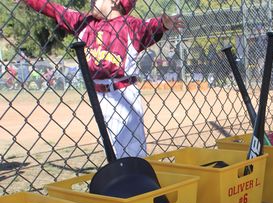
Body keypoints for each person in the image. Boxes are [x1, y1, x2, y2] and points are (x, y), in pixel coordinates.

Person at [19, 0, 184, 158]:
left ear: (115, 1)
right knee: (111, 150)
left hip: (123, 95)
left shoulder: (130, 25)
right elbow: (54, 9)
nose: (92, 1)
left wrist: (163, 24)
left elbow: (149, 26)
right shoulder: (86, 23)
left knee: (131, 154)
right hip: (98, 96)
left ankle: (135, 183)